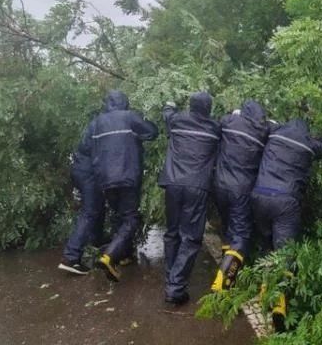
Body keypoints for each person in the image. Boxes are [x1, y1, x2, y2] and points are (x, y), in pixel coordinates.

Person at [251, 118, 322, 330]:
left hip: (259, 196)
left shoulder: (275, 134)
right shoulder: (307, 144)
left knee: (266, 246)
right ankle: (278, 305)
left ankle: (265, 291)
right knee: (284, 253)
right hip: (285, 201)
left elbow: (266, 125)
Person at [87, 90, 159, 282]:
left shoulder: (96, 122)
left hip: (105, 179)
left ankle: (123, 256)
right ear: (125, 102)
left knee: (118, 217)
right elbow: (152, 132)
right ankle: (109, 256)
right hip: (127, 176)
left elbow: (88, 148)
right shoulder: (129, 117)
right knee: (130, 219)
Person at [159, 92, 220, 305]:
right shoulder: (214, 128)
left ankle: (171, 279)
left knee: (172, 233)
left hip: (173, 184)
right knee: (191, 237)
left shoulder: (176, 121)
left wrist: (170, 102)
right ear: (209, 108)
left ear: (191, 106)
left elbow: (167, 113)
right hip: (197, 186)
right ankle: (175, 287)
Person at [210, 100, 269, 292]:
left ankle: (228, 275)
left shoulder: (229, 122)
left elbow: (219, 124)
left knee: (228, 228)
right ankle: (225, 277)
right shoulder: (262, 131)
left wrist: (234, 115)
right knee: (241, 234)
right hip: (241, 189)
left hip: (219, 185)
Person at [58, 129, 107, 275]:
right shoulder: (102, 128)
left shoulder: (93, 128)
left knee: (98, 207)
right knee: (90, 212)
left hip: (82, 170)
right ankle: (71, 258)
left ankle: (96, 244)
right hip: (89, 173)